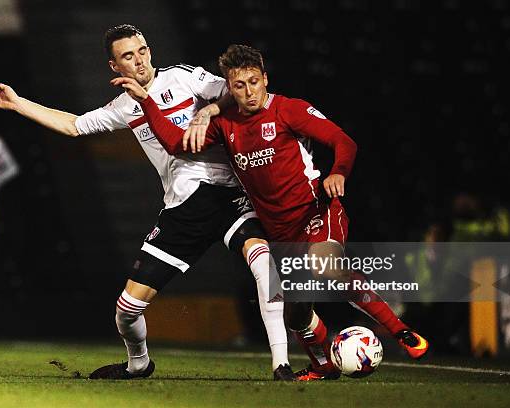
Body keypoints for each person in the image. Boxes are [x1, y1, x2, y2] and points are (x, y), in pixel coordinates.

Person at [0, 25, 295, 381]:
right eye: (128, 56)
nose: (140, 59)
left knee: (263, 264)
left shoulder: (184, 78)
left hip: (228, 192)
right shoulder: (123, 107)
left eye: (142, 50)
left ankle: (281, 364)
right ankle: (138, 364)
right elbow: (73, 125)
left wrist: (207, 112)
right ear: (115, 67)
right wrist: (18, 103)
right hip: (184, 210)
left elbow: (235, 90)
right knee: (126, 311)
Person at [116, 44, 430, 380]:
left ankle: (401, 332)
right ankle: (324, 366)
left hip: (316, 213)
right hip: (281, 233)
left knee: (327, 268)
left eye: (254, 82)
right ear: (228, 88)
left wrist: (338, 172)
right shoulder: (226, 124)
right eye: (239, 85)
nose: (249, 92)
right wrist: (147, 102)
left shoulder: (289, 110)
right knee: (297, 316)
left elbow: (344, 142)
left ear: (265, 78)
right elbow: (177, 144)